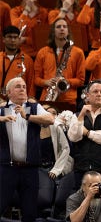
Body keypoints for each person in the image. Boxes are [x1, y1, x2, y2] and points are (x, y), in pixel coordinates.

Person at [0, 77, 54, 222]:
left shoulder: (35, 107)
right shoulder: (2, 109)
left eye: (24, 86)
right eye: (18, 87)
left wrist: (28, 116)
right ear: (8, 92)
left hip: (29, 169)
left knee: (30, 212)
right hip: (6, 168)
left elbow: (50, 119)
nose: (23, 89)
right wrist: (1, 119)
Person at [67, 81, 101, 188]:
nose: (99, 94)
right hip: (81, 168)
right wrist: (81, 115)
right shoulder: (77, 115)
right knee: (81, 202)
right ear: (87, 96)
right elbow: (73, 137)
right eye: (95, 91)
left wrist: (87, 133)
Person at [34, 18, 86, 104]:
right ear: (53, 31)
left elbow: (81, 80)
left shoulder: (78, 52)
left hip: (68, 100)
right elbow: (36, 79)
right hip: (47, 97)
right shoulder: (42, 52)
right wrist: (46, 82)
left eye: (64, 27)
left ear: (68, 31)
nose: (62, 29)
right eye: (58, 27)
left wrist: (65, 81)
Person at [0, 26, 35, 97]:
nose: (13, 40)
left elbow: (31, 85)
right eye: (9, 37)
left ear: (19, 39)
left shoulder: (27, 60)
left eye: (15, 37)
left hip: (19, 102)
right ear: (3, 39)